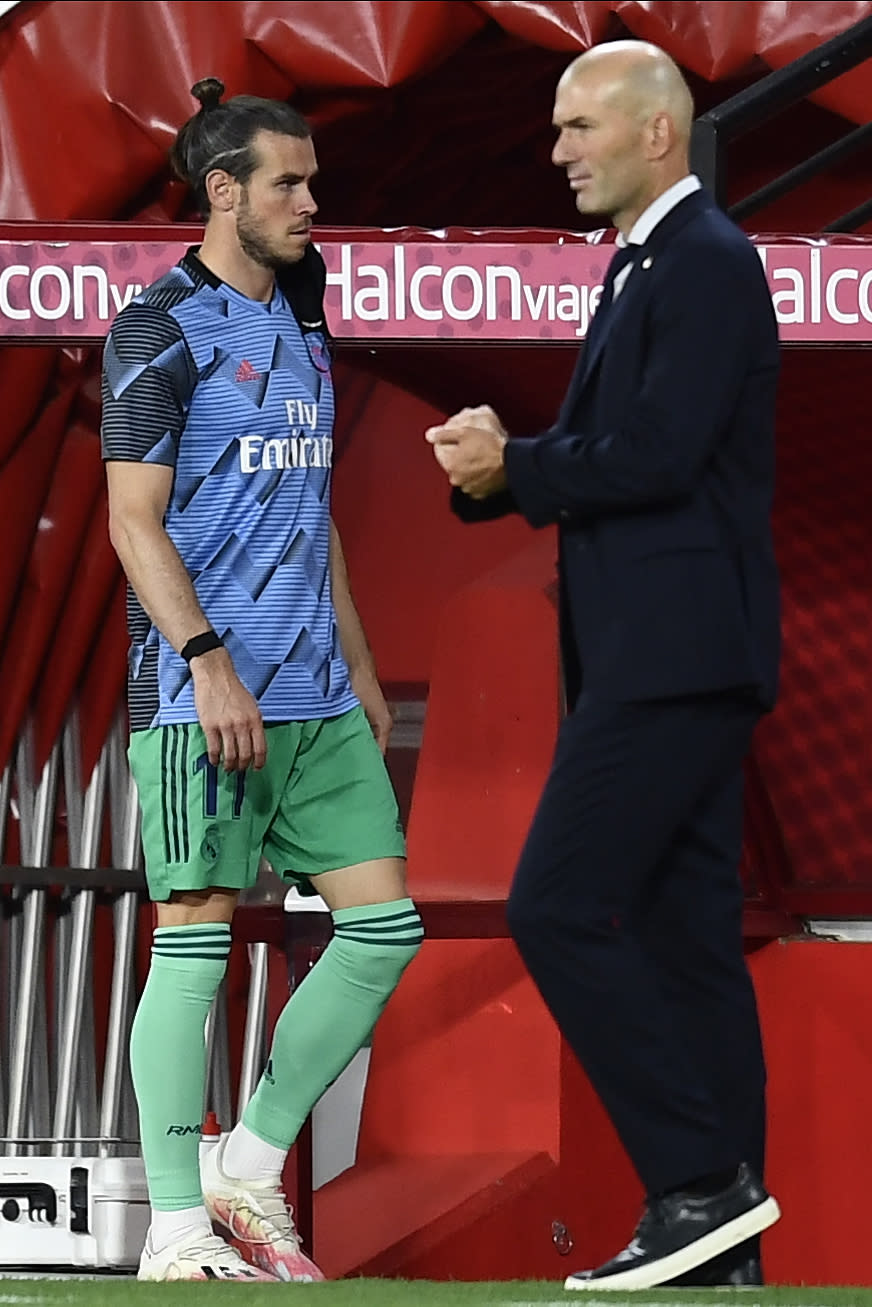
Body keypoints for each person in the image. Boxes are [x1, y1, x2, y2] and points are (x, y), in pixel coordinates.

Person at [426, 40, 781, 1293]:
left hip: (672, 660)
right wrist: (497, 470)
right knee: (686, 939)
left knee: (555, 904)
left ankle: (698, 1184)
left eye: (579, 127)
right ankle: (721, 1246)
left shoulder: (704, 262)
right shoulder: (650, 264)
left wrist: (516, 466)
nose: (560, 149)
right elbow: (614, 448)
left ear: (656, 134)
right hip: (666, 652)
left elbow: (658, 454)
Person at [101, 78, 422, 1283]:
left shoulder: (305, 302)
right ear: (221, 190)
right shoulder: (157, 328)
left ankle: (250, 1157)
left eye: (312, 180)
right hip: (203, 698)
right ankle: (177, 1230)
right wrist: (205, 662)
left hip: (318, 693)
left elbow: (310, 498)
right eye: (287, 182)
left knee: (382, 929)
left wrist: (360, 654)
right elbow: (135, 524)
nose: (309, 200)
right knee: (192, 941)